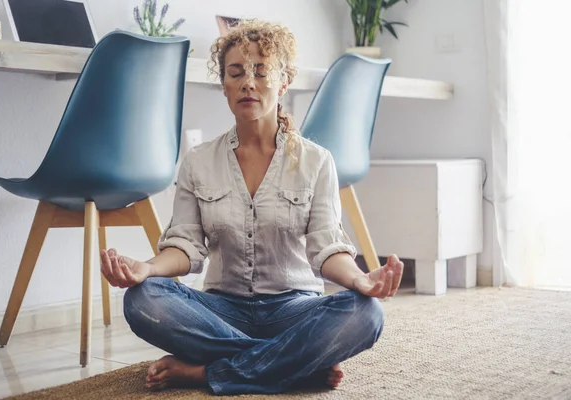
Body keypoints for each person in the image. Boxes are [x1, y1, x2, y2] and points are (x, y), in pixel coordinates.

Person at [100, 19, 404, 396]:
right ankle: (294, 366)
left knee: (366, 314)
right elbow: (186, 247)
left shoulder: (316, 161)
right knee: (143, 298)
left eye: (262, 71)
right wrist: (145, 268)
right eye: (236, 72)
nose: (248, 82)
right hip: (220, 310)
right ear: (224, 86)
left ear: (283, 82)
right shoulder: (198, 161)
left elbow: (326, 248)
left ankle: (206, 374)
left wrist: (360, 280)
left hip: (293, 309)